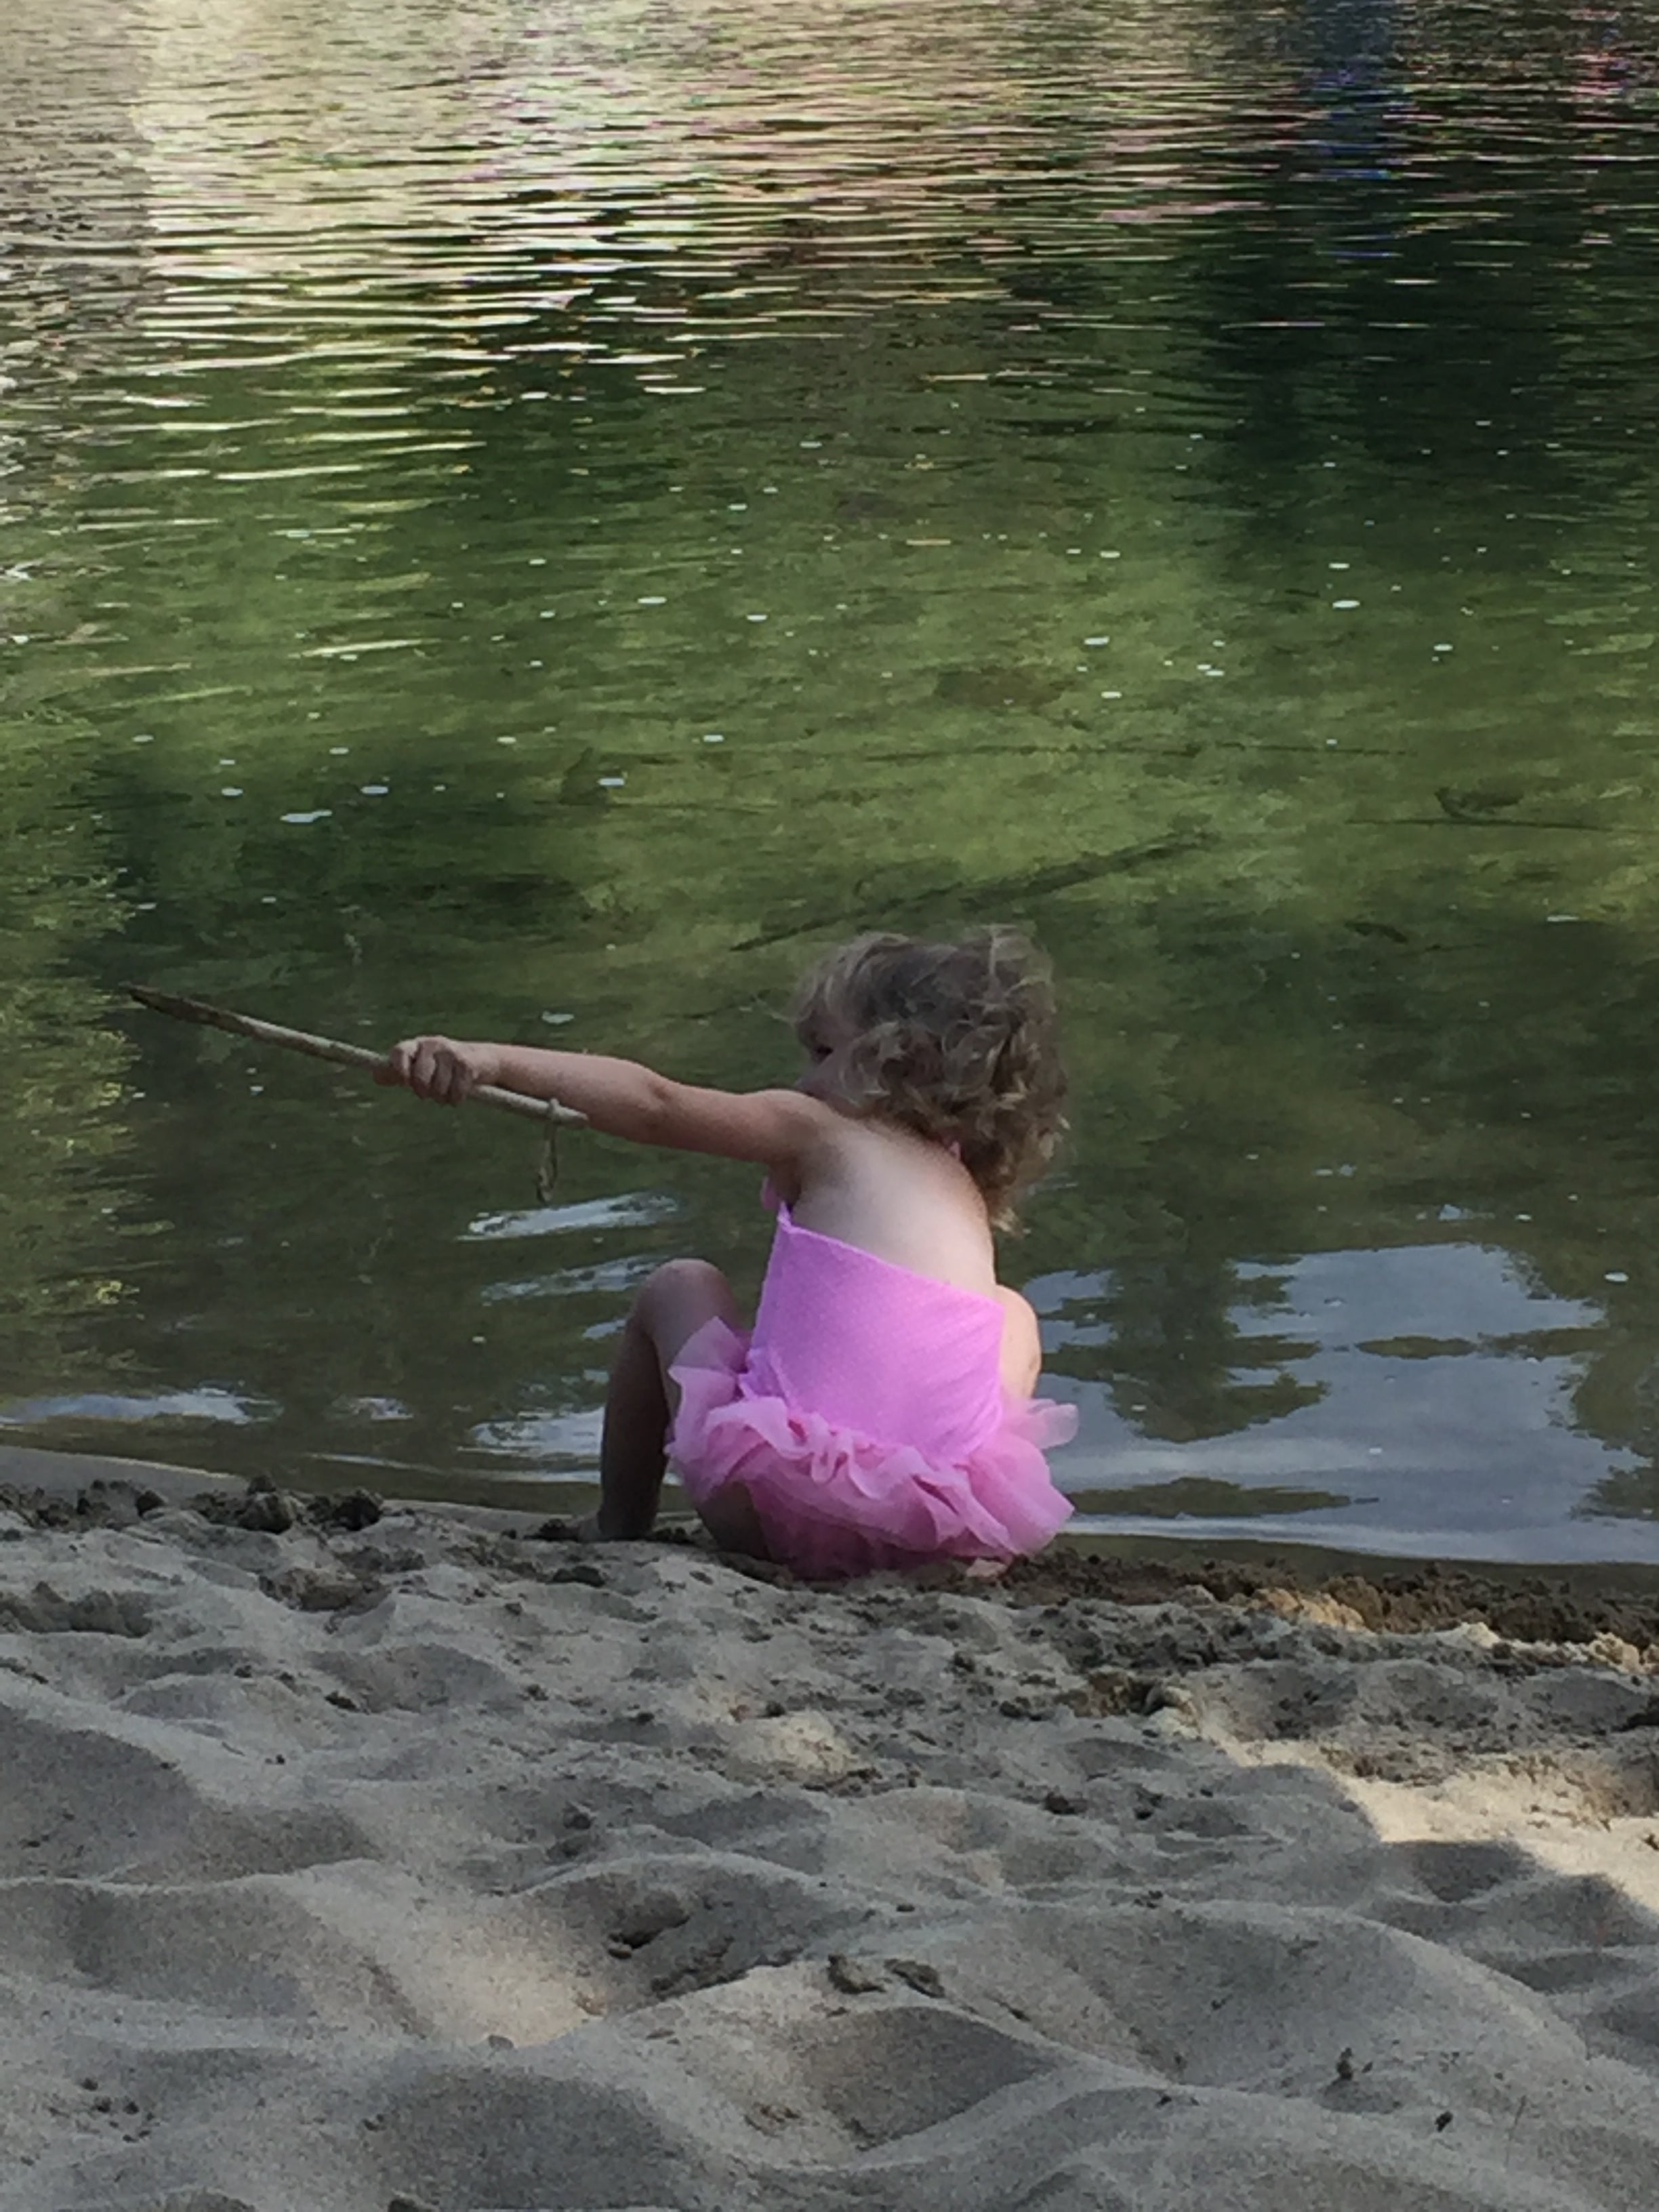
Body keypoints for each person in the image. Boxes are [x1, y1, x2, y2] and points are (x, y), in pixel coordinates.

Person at [379, 927, 1076, 1578]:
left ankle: (620, 1519)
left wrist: (493, 1060)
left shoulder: (820, 1129)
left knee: (678, 1285)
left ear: (897, 1059)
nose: (804, 1080)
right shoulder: (960, 1180)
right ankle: (962, 1516)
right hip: (936, 1529)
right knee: (1011, 1314)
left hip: (779, 1509)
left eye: (823, 1053)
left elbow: (654, 1104)